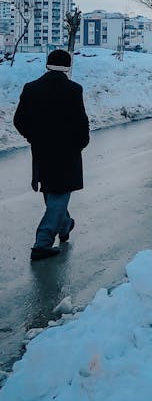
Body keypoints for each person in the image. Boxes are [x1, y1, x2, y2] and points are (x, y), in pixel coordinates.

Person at [13, 49, 90, 261]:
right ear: (67, 67)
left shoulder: (31, 88)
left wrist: (33, 137)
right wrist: (81, 143)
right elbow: (81, 122)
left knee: (51, 191)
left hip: (41, 151)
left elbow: (19, 120)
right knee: (60, 194)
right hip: (67, 152)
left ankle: (65, 225)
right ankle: (43, 242)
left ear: (47, 65)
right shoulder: (73, 90)